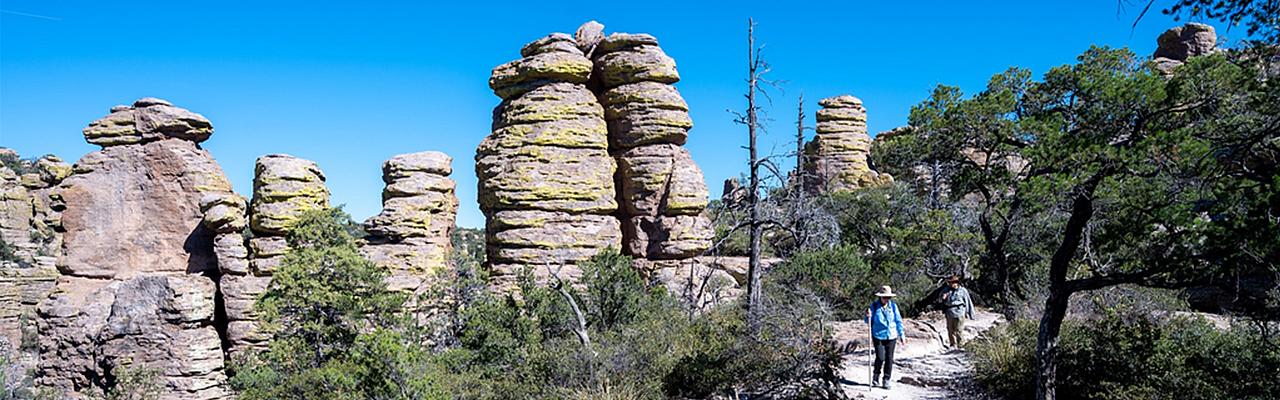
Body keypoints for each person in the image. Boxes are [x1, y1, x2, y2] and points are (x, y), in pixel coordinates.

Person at [865, 285, 905, 389]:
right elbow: (867, 321)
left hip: (891, 335)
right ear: (880, 297)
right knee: (880, 357)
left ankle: (886, 380)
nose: (886, 299)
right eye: (884, 297)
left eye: (888, 297)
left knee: (889, 359)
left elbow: (898, 321)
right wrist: (867, 315)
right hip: (878, 335)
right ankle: (875, 376)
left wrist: (901, 334)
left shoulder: (893, 306)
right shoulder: (874, 306)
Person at [940, 275, 975, 348]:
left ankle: (961, 345)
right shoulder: (946, 290)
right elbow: (940, 300)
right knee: (950, 330)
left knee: (959, 330)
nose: (951, 284)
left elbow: (968, 301)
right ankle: (952, 344)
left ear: (956, 283)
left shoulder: (963, 290)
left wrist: (970, 313)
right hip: (949, 311)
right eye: (950, 283)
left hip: (959, 311)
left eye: (952, 282)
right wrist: (943, 298)